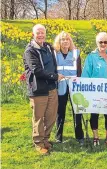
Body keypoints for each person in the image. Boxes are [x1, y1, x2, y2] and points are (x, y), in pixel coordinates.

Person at [23, 24, 64, 155]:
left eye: (42, 32)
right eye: (38, 33)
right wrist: (55, 76)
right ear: (33, 35)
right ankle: (39, 143)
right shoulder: (30, 51)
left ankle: (46, 139)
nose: (41, 35)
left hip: (52, 88)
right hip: (38, 89)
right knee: (39, 118)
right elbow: (37, 70)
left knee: (51, 116)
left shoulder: (48, 47)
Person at [81, 32, 107, 147]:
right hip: (94, 91)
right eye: (101, 42)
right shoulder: (91, 57)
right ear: (97, 43)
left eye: (105, 42)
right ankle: (96, 137)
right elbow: (85, 75)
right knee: (94, 114)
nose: (103, 44)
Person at [53, 31, 84, 145]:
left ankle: (79, 136)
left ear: (70, 41)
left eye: (67, 39)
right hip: (60, 86)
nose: (65, 41)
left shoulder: (76, 53)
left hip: (74, 86)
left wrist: (79, 85)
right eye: (62, 39)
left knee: (77, 111)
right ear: (59, 42)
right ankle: (58, 136)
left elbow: (79, 71)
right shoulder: (55, 54)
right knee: (60, 112)